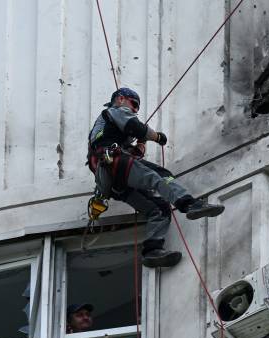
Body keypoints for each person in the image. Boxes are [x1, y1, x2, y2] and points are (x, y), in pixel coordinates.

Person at [87, 87, 224, 267]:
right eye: (133, 104)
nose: (135, 110)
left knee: (159, 208)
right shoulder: (115, 111)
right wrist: (157, 137)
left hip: (113, 181)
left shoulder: (109, 130)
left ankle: (152, 251)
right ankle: (190, 205)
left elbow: (133, 152)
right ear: (120, 99)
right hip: (114, 164)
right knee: (160, 175)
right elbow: (135, 127)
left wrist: (140, 144)